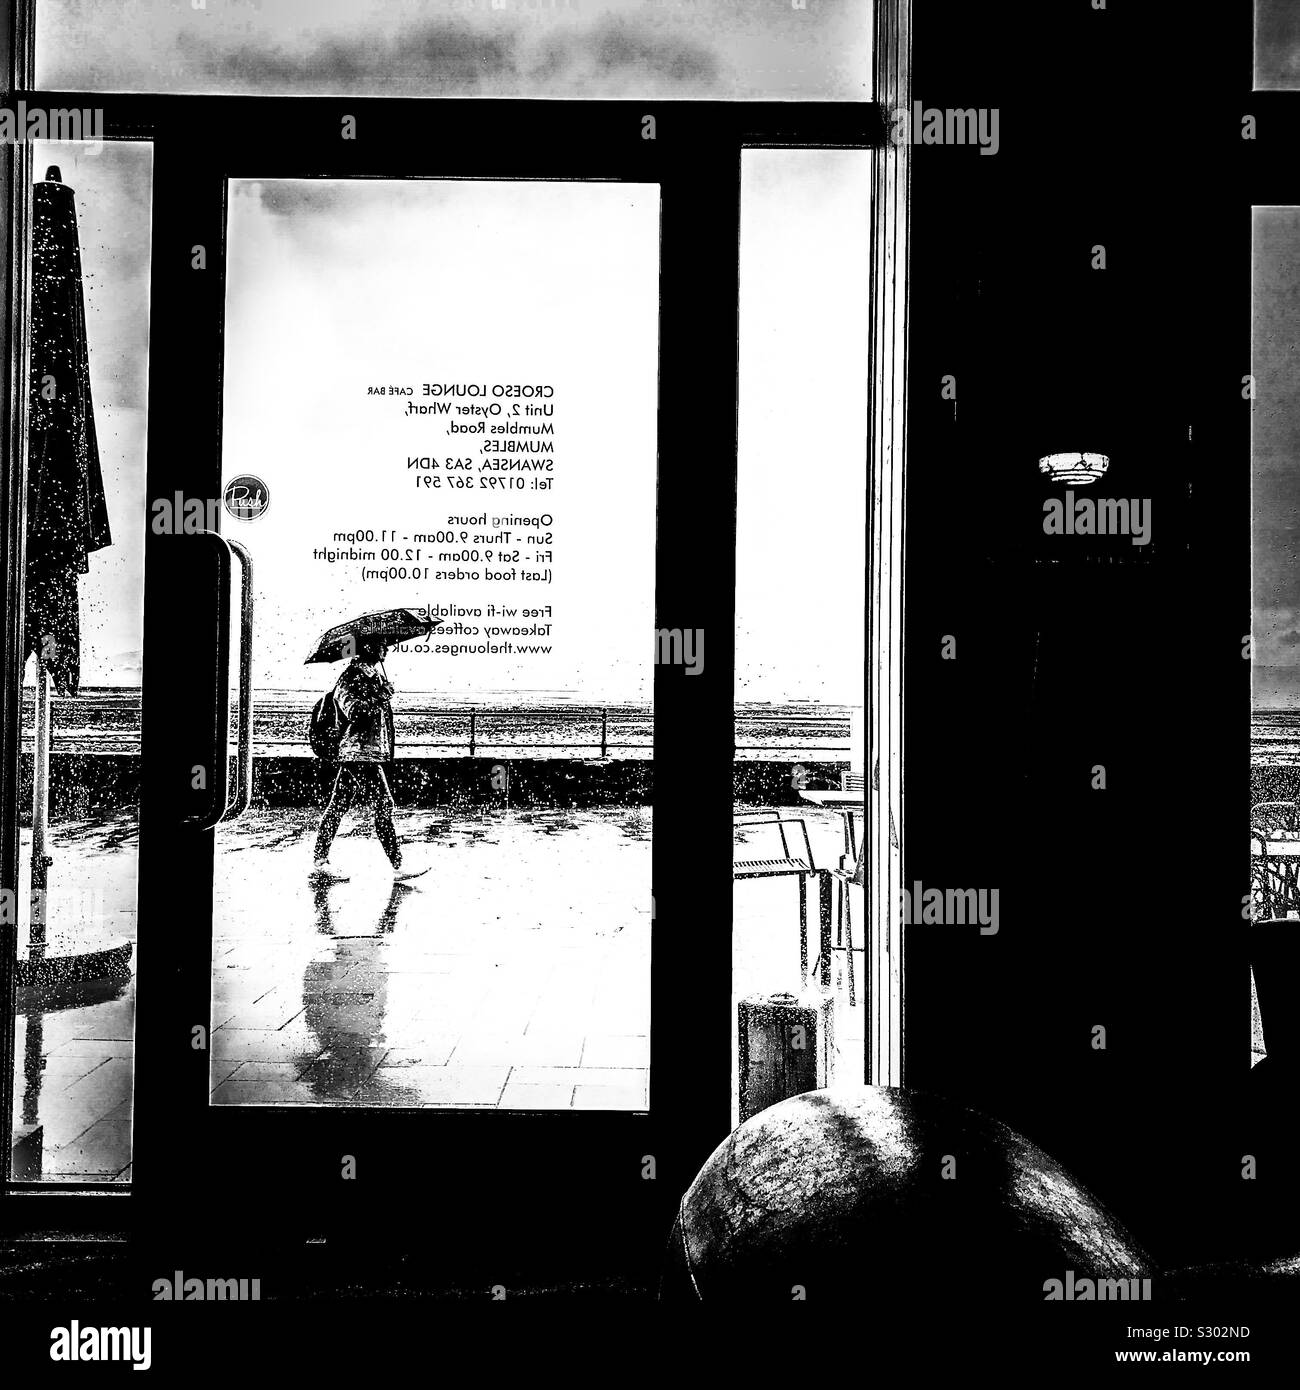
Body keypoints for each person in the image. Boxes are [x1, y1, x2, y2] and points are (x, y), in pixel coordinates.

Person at [312, 636, 425, 880]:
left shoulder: (374, 676)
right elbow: (354, 712)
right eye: (382, 644)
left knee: (339, 804)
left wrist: (381, 692)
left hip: (366, 752)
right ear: (370, 647)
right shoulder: (351, 678)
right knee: (384, 804)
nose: (388, 648)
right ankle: (398, 866)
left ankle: (320, 862)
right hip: (357, 754)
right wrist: (381, 696)